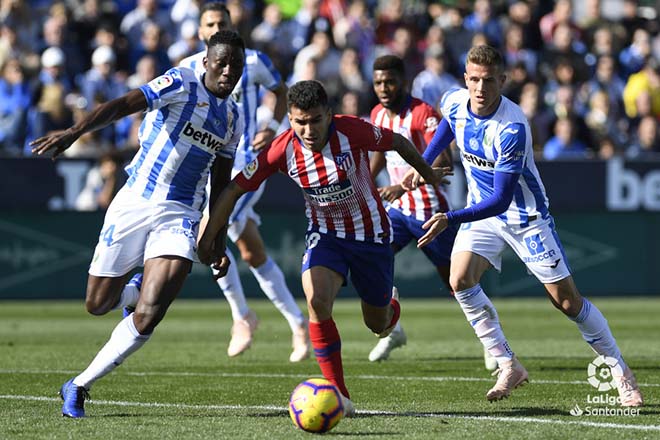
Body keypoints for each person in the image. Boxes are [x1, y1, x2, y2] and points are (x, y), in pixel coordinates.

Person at [406, 45, 643, 407]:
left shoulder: (511, 127)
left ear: (503, 80)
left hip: (524, 219)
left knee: (566, 302)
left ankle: (620, 371)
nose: (480, 89)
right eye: (473, 80)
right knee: (459, 280)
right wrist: (421, 166)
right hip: (481, 215)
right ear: (465, 79)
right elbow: (448, 126)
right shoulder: (455, 100)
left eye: (488, 81)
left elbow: (501, 200)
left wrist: (449, 218)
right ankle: (508, 364)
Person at [197, 80, 451, 415]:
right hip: (325, 236)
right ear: (289, 118)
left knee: (378, 324)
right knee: (316, 300)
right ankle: (340, 396)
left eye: (315, 120)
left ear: (328, 115)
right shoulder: (281, 149)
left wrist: (427, 174)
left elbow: (399, 142)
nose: (308, 129)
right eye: (300, 122)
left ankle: (391, 309)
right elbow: (232, 190)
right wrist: (207, 240)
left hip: (372, 236)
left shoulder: (352, 131)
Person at [30, 30, 247, 418]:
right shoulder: (181, 81)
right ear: (207, 61)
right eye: (223, 62)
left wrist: (214, 235)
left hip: (180, 213)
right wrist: (75, 131)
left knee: (153, 310)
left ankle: (78, 385)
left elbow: (222, 180)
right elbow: (125, 103)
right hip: (136, 200)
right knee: (97, 304)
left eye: (237, 64)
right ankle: (131, 291)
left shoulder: (232, 118)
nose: (229, 70)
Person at [178, 2, 309, 362]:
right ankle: (297, 323)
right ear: (201, 30)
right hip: (211, 160)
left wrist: (272, 125)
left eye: (221, 21)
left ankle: (241, 316)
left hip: (247, 160)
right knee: (250, 250)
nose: (215, 27)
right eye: (209, 23)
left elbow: (282, 91)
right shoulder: (190, 66)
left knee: (215, 223)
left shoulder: (253, 61)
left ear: (232, 24)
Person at [368, 54, 462, 363]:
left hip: (430, 213)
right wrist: (363, 184)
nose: (383, 88)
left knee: (459, 283)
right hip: (398, 212)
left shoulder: (423, 114)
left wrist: (402, 186)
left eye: (390, 81)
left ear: (404, 82)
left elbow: (443, 164)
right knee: (370, 260)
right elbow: (379, 156)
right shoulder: (377, 114)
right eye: (378, 82)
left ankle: (494, 345)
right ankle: (393, 330)